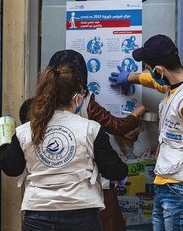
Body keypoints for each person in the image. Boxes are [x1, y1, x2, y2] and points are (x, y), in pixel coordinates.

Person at [0, 63, 128, 231]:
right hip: (81, 215)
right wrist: (122, 172)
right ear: (78, 98)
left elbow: (11, 168)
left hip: (37, 215)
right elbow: (115, 171)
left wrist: (4, 142)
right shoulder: (90, 129)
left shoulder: (25, 131)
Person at [109, 34, 183, 231]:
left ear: (159, 69)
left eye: (148, 68)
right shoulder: (175, 86)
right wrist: (130, 77)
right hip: (168, 185)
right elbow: (155, 82)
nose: (148, 73)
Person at [47, 49, 146, 231]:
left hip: (51, 185)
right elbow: (117, 126)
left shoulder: (39, 103)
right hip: (87, 181)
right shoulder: (84, 100)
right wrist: (135, 114)